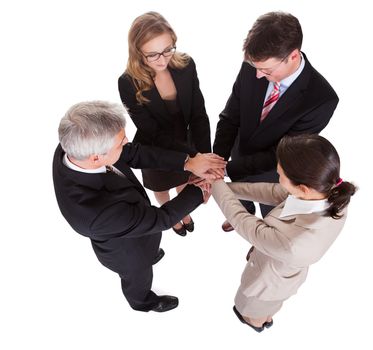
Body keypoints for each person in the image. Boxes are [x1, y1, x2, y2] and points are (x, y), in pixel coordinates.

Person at [53, 101, 226, 312]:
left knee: (150, 243)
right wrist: (199, 191)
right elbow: (159, 219)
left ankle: (152, 252)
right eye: (120, 142)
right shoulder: (95, 215)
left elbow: (132, 153)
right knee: (138, 275)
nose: (127, 141)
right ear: (96, 157)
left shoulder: (74, 146)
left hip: (135, 222)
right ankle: (143, 302)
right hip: (128, 253)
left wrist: (187, 163)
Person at [210, 134, 356, 332]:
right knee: (270, 306)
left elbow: (244, 223)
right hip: (282, 272)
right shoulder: (326, 190)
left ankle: (257, 323)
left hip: (268, 283)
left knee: (251, 308)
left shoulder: (293, 244)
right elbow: (274, 192)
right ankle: (265, 317)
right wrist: (227, 187)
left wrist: (214, 183)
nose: (278, 178)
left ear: (303, 188)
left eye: (280, 175)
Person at [213, 11, 339, 232]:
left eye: (267, 70)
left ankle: (263, 234)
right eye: (256, 67)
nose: (259, 75)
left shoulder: (321, 99)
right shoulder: (252, 67)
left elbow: (282, 154)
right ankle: (243, 211)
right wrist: (218, 160)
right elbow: (230, 117)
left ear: (293, 55)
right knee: (239, 195)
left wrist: (225, 169)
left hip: (274, 172)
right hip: (238, 151)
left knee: (270, 214)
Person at [118, 11, 212, 237]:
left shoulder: (186, 64)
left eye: (168, 49)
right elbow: (152, 130)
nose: (162, 59)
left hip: (185, 140)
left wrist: (204, 156)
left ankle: (183, 211)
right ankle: (169, 212)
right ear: (137, 51)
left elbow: (199, 113)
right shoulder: (127, 82)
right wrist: (191, 158)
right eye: (152, 54)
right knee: (161, 188)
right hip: (155, 148)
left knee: (185, 181)